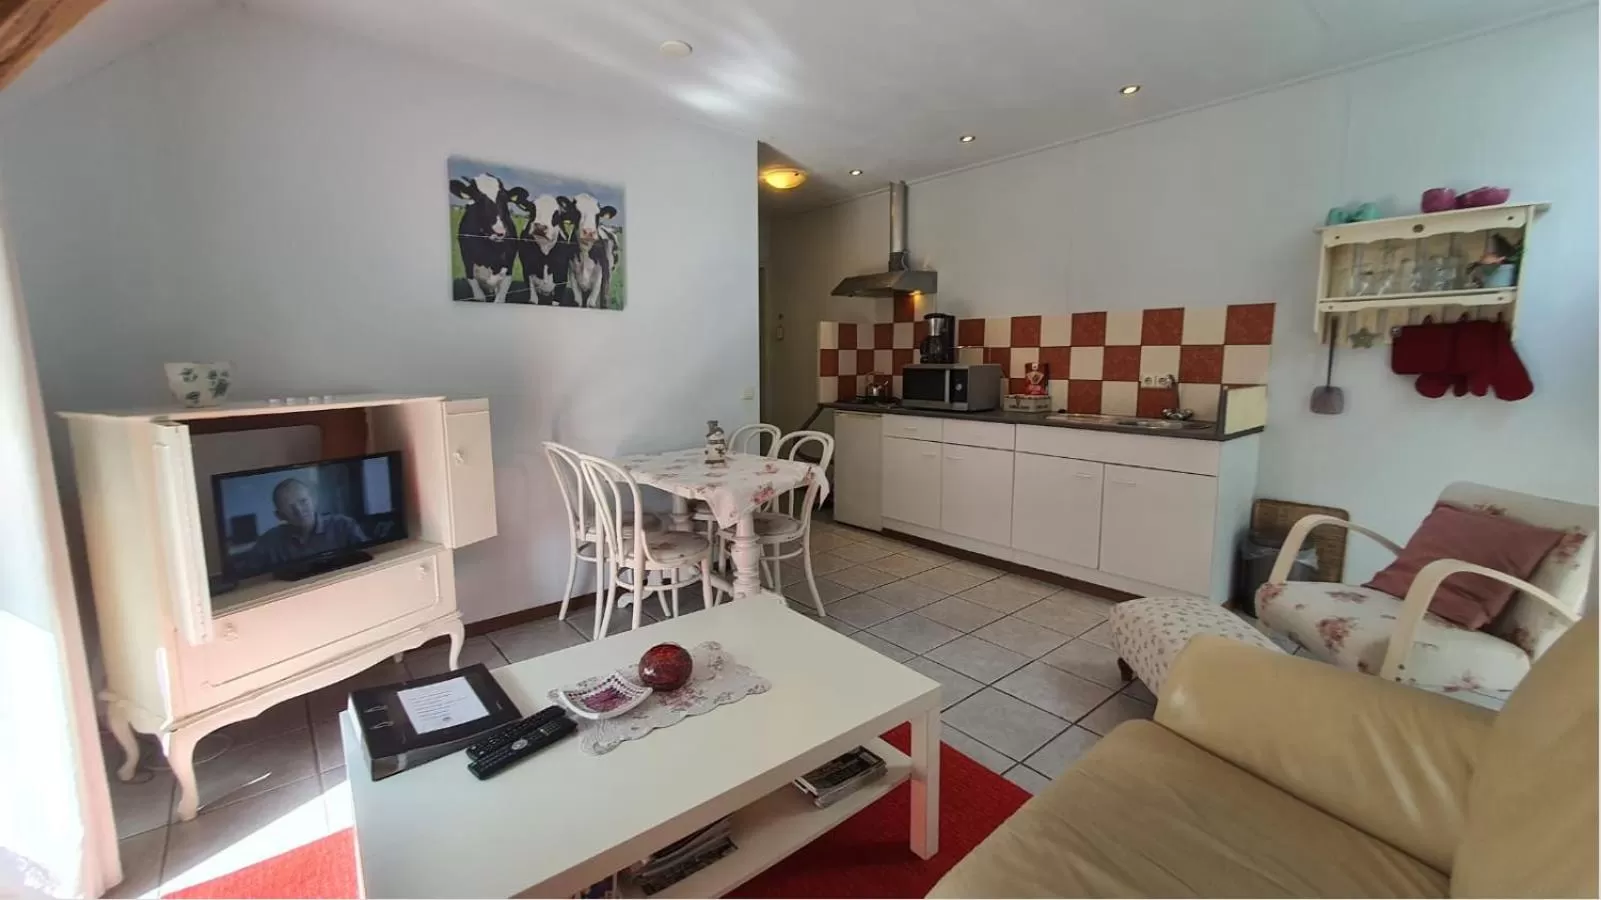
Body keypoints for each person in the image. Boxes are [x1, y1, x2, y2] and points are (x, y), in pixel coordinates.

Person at [241, 477, 368, 571]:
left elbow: (370, 561)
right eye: (290, 507)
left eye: (303, 501)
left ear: (314, 501)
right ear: (279, 515)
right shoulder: (268, 542)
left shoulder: (344, 525)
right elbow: (247, 577)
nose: (299, 511)